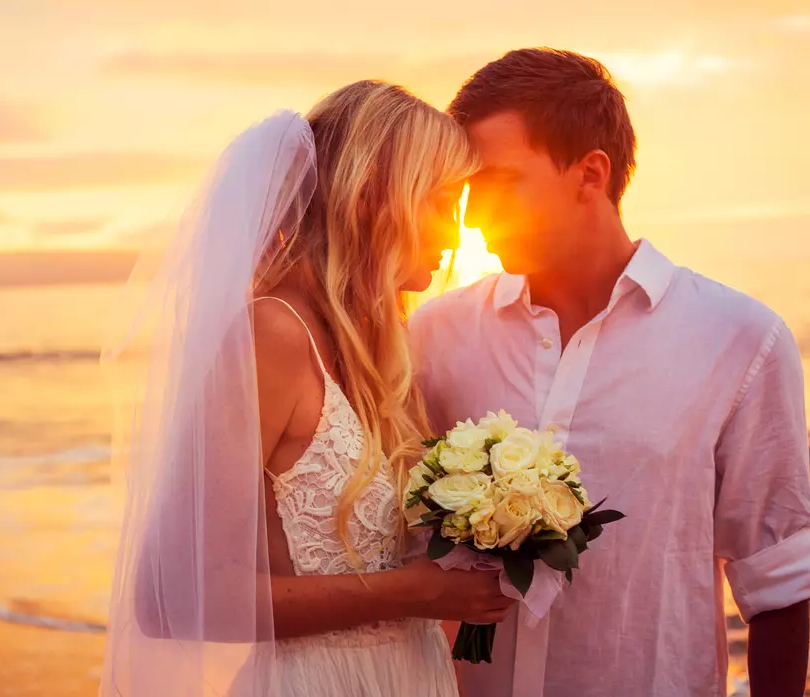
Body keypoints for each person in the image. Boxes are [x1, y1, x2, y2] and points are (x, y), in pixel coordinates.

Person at [410, 48, 810, 697]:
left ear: (590, 173)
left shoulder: (741, 339)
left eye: (498, 183)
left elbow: (775, 579)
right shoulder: (435, 336)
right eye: (466, 189)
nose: (471, 215)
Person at [101, 81, 515, 697]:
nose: (453, 237)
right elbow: (172, 598)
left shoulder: (383, 347)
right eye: (438, 204)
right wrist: (415, 591)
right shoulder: (271, 336)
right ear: (375, 195)